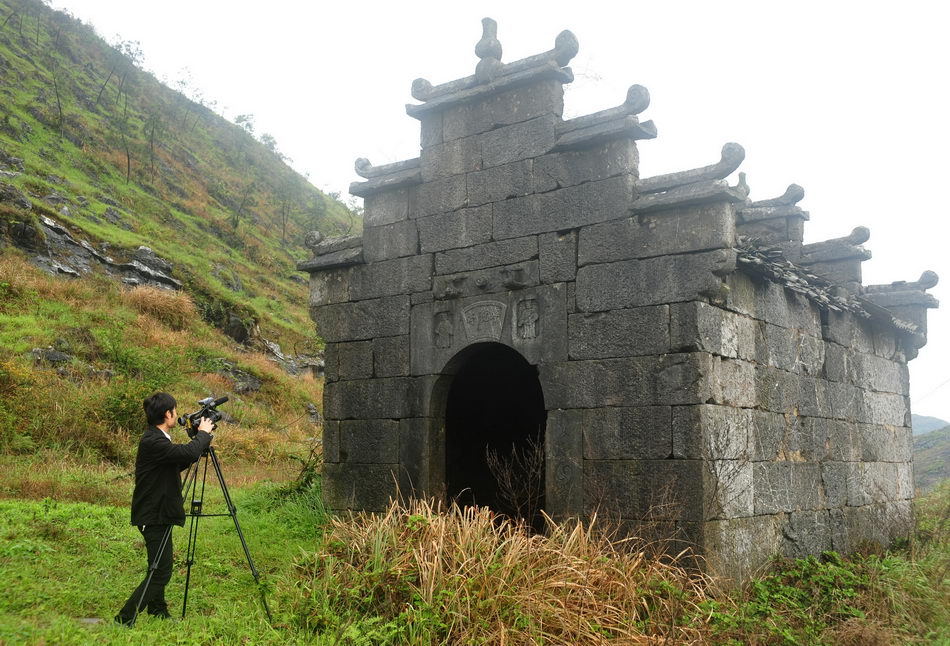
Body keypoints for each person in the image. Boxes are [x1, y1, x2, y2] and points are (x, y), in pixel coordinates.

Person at [115, 392, 213, 626]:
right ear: (168, 414)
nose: (177, 415)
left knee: (156, 564)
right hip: (153, 513)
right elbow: (187, 452)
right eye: (175, 411)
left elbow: (178, 460)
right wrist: (203, 436)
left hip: (157, 512)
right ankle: (124, 618)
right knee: (162, 571)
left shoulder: (158, 439)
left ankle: (157, 610)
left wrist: (198, 445)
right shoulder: (154, 441)